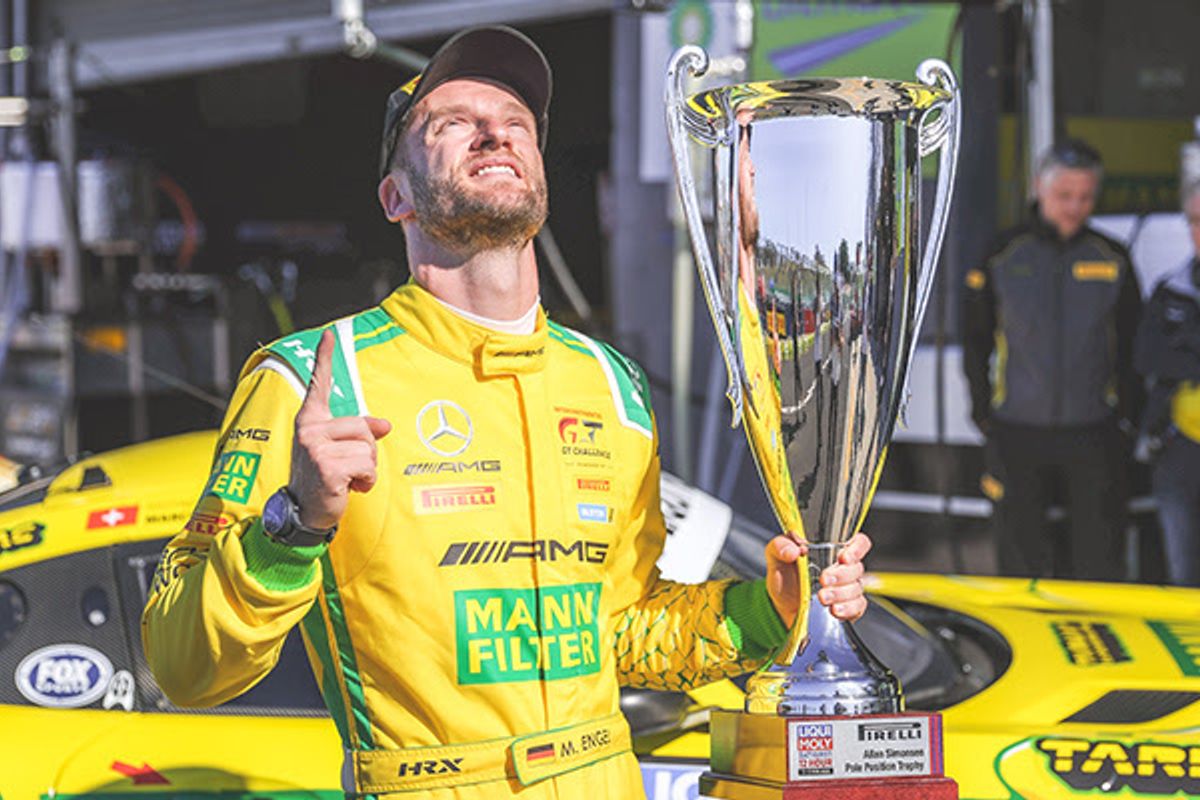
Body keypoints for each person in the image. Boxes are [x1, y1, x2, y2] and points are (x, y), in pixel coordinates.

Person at [141, 25, 871, 799]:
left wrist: (768, 613)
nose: (494, 128)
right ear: (396, 197)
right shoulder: (315, 379)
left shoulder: (610, 384)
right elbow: (184, 667)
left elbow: (620, 631)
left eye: (516, 122)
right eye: (450, 122)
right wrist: (294, 524)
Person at [962, 139, 1142, 581]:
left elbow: (1133, 346)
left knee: (1098, 555)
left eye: (1085, 197)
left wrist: (1128, 419)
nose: (1075, 207)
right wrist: (983, 410)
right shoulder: (1003, 253)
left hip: (1093, 431)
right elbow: (976, 339)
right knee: (1021, 554)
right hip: (1017, 430)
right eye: (1065, 195)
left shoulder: (1111, 257)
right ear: (1039, 189)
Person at [1133, 181, 1200, 587]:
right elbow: (1147, 357)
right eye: (1195, 221)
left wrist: (1188, 348)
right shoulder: (1170, 288)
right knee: (1183, 577)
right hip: (1178, 450)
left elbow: (1173, 356)